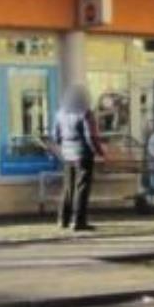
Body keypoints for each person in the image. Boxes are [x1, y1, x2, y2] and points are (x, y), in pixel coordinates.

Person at [53, 84, 104, 232]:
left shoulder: (60, 113)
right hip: (83, 154)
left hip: (67, 155)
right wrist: (99, 152)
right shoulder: (85, 113)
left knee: (68, 187)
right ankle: (78, 221)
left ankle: (63, 219)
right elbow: (91, 136)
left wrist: (63, 147)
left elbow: (56, 135)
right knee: (82, 188)